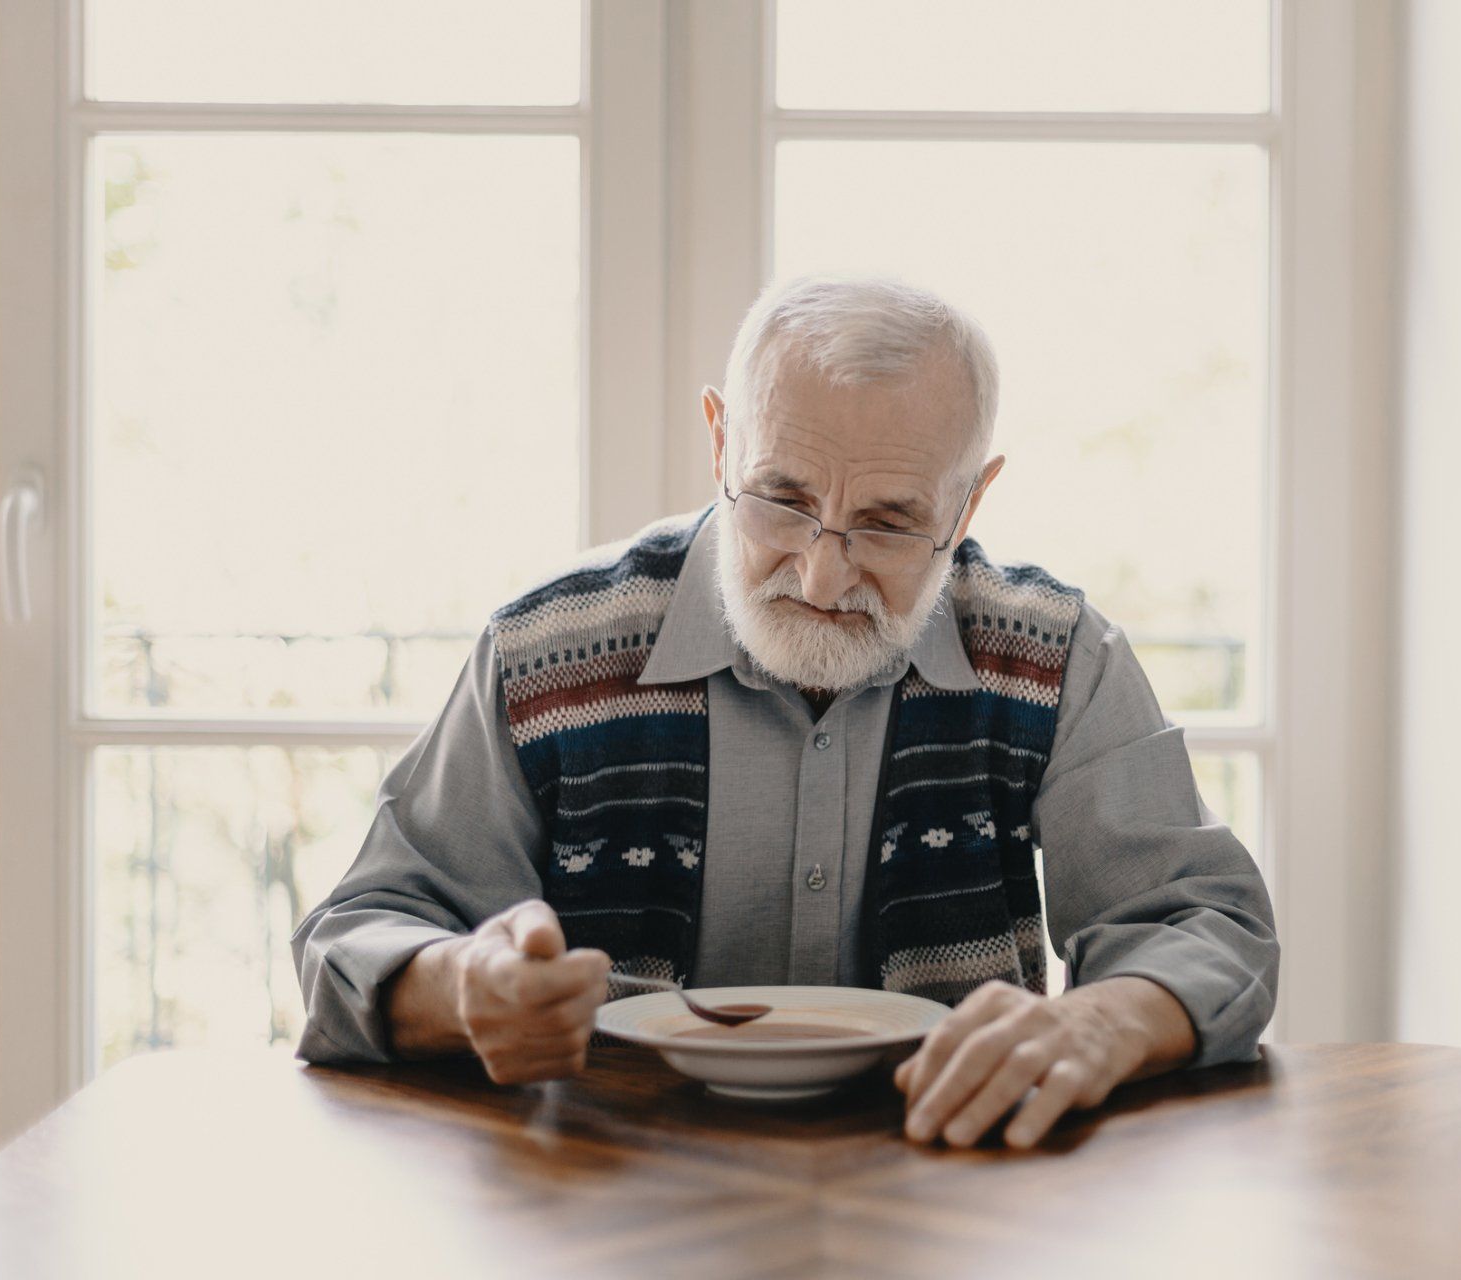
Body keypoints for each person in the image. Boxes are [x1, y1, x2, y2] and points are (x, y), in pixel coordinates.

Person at [292, 274, 1279, 1150]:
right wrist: (463, 988)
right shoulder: (544, 648)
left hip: (961, 1191)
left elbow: (1208, 923)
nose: (820, 572)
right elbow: (359, 934)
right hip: (602, 1200)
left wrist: (1100, 1020)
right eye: (781, 499)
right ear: (722, 439)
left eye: (890, 522)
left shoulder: (1058, 655)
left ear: (969, 504)